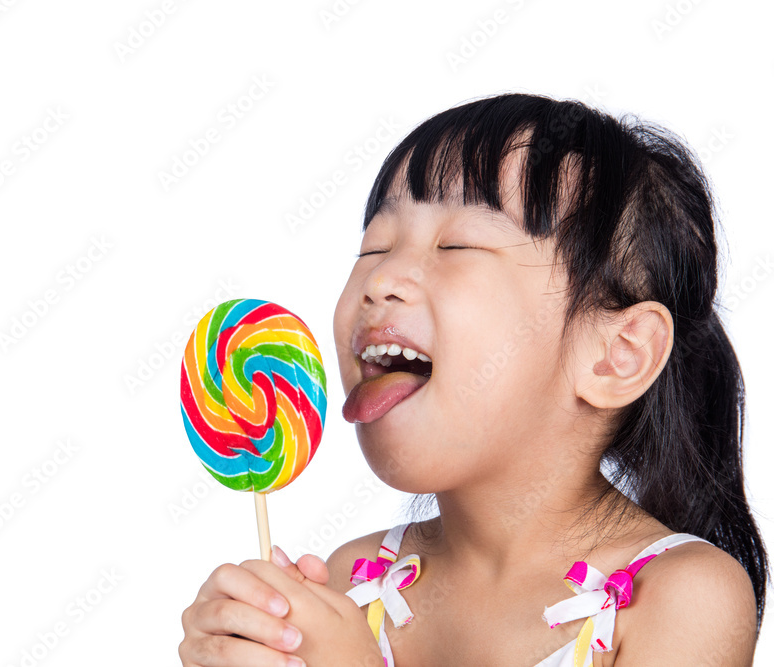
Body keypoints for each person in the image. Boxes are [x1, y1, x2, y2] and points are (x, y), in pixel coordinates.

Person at [178, 93, 768, 666]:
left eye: (456, 244)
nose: (380, 280)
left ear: (616, 356)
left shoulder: (684, 598)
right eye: (374, 247)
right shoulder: (350, 582)